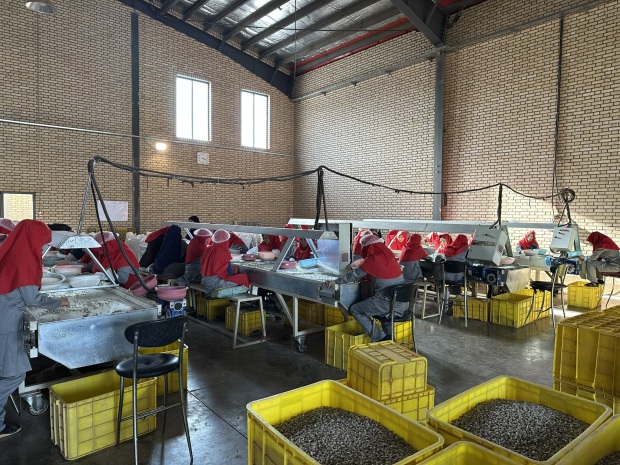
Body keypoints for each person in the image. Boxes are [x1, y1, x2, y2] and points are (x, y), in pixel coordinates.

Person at [0, 220, 69, 439]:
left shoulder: (11, 250)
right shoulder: (24, 258)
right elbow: (32, 297)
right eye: (42, 244)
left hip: (4, 312)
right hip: (6, 321)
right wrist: (59, 303)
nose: (41, 249)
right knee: (14, 374)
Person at [325, 234, 406, 342]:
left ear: (367, 247)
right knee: (383, 313)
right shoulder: (388, 255)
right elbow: (379, 273)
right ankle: (390, 339)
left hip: (387, 304)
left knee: (356, 309)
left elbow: (354, 275)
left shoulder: (373, 259)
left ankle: (379, 338)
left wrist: (336, 281)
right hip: (402, 303)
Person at [200, 230, 250, 296]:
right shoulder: (223, 251)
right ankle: (242, 301)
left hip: (204, 281)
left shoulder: (208, 249)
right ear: (226, 240)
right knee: (243, 279)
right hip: (215, 284)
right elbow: (230, 272)